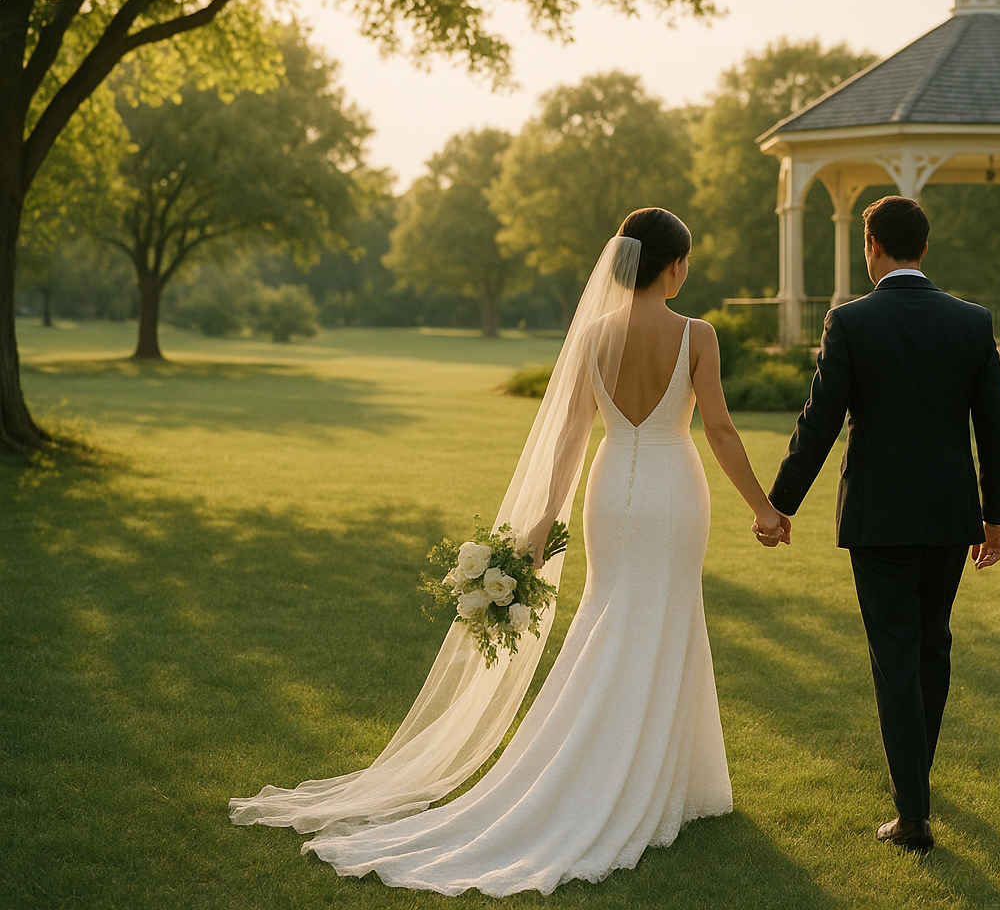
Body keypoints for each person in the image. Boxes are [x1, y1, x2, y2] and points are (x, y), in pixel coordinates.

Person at [231, 208, 791, 896]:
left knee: (610, 615)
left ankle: (646, 771)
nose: (687, 271)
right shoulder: (695, 334)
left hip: (610, 493)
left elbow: (568, 441)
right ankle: (644, 779)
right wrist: (762, 508)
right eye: (687, 260)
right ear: (671, 266)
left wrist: (540, 527)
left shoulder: (592, 337)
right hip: (675, 490)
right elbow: (723, 429)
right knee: (665, 616)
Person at [766, 195, 1000, 853]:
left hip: (876, 516)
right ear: (924, 249)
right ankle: (915, 794)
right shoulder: (972, 321)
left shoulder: (850, 321)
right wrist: (996, 517)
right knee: (932, 644)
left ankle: (912, 814)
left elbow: (820, 421)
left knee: (896, 656)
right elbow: (995, 428)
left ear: (870, 246)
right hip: (948, 513)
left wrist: (780, 504)